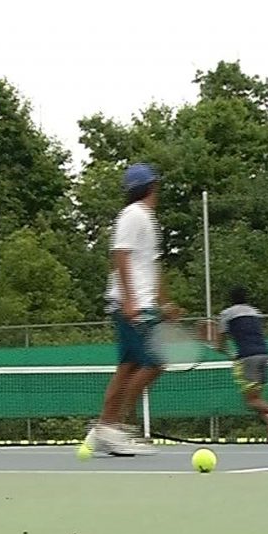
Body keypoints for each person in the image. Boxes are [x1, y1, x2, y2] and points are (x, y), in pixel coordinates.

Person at [83, 163, 182, 457]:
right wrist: (130, 301)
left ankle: (104, 427)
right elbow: (120, 255)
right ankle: (112, 429)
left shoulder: (148, 220)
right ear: (152, 186)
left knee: (127, 368)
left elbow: (151, 265)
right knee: (154, 363)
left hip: (143, 304)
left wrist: (164, 303)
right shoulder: (133, 215)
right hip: (132, 305)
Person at [214, 286, 268, 443]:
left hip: (247, 358)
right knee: (258, 399)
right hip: (264, 355)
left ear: (230, 299)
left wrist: (226, 352)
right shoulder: (256, 312)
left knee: (251, 402)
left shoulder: (226, 314)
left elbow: (220, 344)